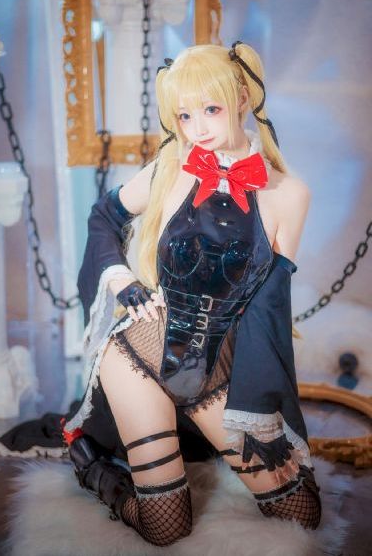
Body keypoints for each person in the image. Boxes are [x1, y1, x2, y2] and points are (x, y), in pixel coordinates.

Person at [61, 40, 322, 546]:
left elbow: (269, 311)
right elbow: (104, 217)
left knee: (301, 512)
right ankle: (95, 470)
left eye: (210, 109)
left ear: (242, 97)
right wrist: (119, 277)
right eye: (184, 115)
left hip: (219, 364)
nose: (197, 128)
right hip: (140, 352)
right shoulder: (173, 165)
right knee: (166, 528)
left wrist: (264, 412)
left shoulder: (290, 195)